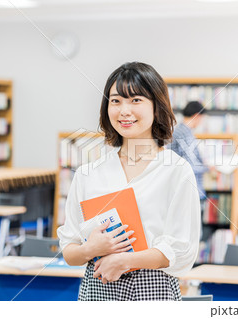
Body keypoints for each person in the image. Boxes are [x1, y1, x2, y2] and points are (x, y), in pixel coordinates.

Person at [57, 62, 201, 301]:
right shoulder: (88, 173)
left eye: (136, 100)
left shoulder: (177, 171)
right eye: (115, 101)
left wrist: (126, 261)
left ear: (157, 106)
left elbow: (182, 250)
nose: (124, 110)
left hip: (154, 288)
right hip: (97, 289)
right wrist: (90, 249)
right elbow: (69, 251)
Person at [168, 101, 209, 200]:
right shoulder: (184, 134)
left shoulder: (182, 131)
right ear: (197, 116)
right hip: (187, 189)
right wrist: (208, 167)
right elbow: (191, 164)